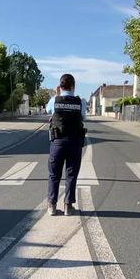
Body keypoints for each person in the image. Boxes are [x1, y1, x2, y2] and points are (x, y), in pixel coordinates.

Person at [45, 73, 87, 216]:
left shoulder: (54, 100)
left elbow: (48, 111)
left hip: (57, 142)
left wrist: (57, 95)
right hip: (75, 142)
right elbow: (83, 116)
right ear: (73, 87)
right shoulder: (80, 101)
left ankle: (52, 206)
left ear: (60, 86)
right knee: (71, 175)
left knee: (54, 175)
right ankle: (68, 206)